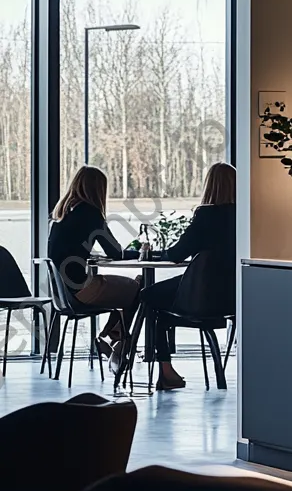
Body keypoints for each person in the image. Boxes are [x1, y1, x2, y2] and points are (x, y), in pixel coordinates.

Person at [141, 162, 236, 391]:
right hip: (232, 299)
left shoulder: (206, 214)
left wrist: (155, 253)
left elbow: (177, 254)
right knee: (160, 309)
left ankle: (163, 369)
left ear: (209, 185)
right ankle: (127, 347)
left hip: (201, 296)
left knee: (147, 295)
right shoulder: (246, 216)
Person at [48, 166, 140, 376]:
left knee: (136, 285)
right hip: (83, 290)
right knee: (141, 286)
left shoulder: (63, 213)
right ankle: (118, 340)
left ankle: (114, 334)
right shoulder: (90, 213)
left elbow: (68, 249)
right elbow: (116, 253)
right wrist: (142, 253)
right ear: (98, 190)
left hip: (64, 294)